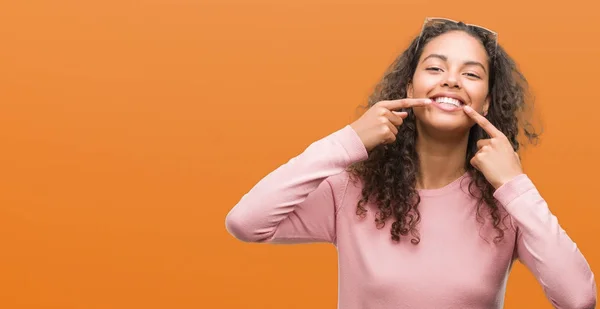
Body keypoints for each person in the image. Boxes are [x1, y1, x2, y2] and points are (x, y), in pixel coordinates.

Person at [224, 17, 597, 309]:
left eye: (470, 74)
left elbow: (578, 298)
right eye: (435, 68)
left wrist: (515, 185)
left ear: (485, 102)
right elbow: (246, 222)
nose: (451, 81)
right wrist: (349, 139)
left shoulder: (508, 205)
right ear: (409, 89)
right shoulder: (350, 192)